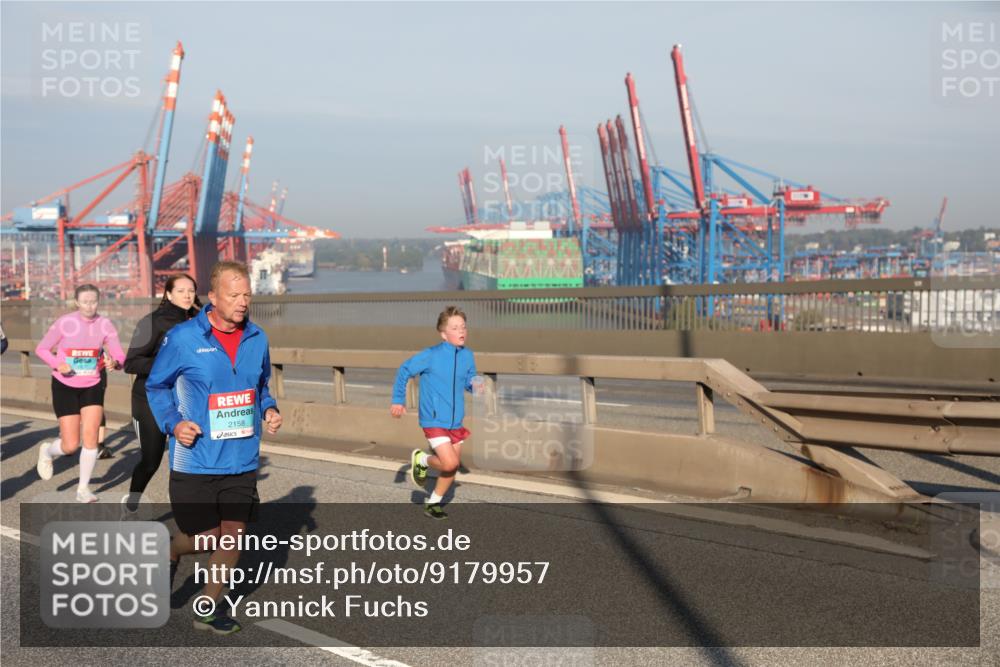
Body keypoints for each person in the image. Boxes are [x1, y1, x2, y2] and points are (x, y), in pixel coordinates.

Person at [146, 261, 282, 635]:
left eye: (247, 295)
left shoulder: (258, 338)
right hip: (197, 459)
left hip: (241, 457)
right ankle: (171, 551)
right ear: (213, 297)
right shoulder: (184, 338)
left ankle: (208, 606)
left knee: (234, 532)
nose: (242, 302)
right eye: (234, 295)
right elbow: (156, 386)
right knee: (205, 538)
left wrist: (268, 409)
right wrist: (174, 422)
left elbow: (261, 387)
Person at [35, 284, 125, 502]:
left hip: (92, 383)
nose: (89, 305)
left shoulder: (105, 324)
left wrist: (116, 363)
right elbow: (42, 349)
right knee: (70, 445)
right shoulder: (65, 322)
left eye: (93, 301)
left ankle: (83, 489)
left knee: (91, 436)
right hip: (64, 384)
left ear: (98, 301)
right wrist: (58, 364)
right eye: (85, 301)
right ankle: (47, 452)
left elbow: (118, 354)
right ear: (76, 302)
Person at [391, 306, 478, 520]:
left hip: (455, 420)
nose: (461, 331)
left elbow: (469, 380)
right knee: (449, 463)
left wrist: (477, 385)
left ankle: (433, 504)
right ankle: (421, 460)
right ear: (443, 334)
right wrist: (398, 400)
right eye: (455, 327)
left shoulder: (467, 355)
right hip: (433, 417)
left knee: (451, 469)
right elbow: (404, 369)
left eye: (463, 327)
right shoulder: (431, 355)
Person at [122, 273, 200, 511]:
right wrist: (166, 366)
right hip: (150, 400)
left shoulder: (200, 320)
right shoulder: (152, 322)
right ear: (168, 294)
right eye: (181, 291)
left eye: (191, 290)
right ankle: (131, 506)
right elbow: (131, 363)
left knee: (190, 459)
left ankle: (191, 513)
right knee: (151, 461)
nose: (187, 295)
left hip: (186, 399)